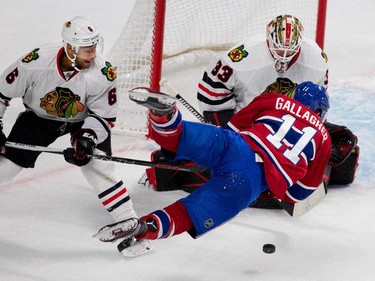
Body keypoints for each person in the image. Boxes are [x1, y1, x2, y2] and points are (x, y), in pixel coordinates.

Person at [145, 15, 359, 200]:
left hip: (282, 122)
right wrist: (229, 127)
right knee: (230, 156)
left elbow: (318, 106)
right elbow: (209, 92)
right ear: (267, 39)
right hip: (244, 117)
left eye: (289, 50)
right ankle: (180, 164)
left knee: (338, 144)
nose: (283, 57)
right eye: (278, 48)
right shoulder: (242, 56)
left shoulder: (317, 60)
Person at [94, 80, 331, 246]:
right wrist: (276, 187)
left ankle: (164, 116)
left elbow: (234, 126)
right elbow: (299, 194)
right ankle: (145, 227)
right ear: (321, 112)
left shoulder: (275, 99)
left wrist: (215, 161)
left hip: (236, 146)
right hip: (247, 182)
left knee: (180, 135)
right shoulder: (323, 138)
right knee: (190, 213)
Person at [0, 16, 151, 257]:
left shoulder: (103, 73)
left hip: (84, 121)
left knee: (98, 167)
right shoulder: (36, 61)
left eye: (94, 47)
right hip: (39, 119)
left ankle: (130, 223)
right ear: (70, 48)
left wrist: (87, 139)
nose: (93, 54)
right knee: (5, 170)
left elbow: (104, 117)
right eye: (87, 49)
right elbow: (1, 93)